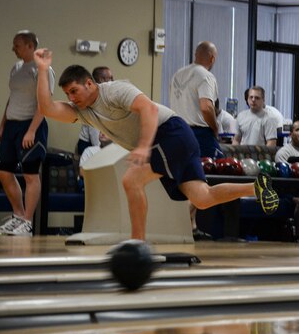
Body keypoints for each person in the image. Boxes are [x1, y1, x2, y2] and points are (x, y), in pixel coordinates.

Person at [33, 49, 278, 241]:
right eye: (68, 95)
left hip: (171, 132)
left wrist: (142, 146)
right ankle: (255, 188)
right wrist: (43, 70)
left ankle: (137, 243)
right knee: (202, 199)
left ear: (89, 83)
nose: (71, 98)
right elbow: (47, 108)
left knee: (131, 180)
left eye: (74, 91)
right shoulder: (83, 112)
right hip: (180, 139)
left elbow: (147, 108)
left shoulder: (114, 90)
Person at [0, 31, 55, 237]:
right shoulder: (16, 67)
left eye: (18, 45)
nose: (14, 48)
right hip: (11, 126)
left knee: (31, 175)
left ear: (30, 46)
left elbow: (44, 102)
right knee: (3, 172)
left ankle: (28, 221)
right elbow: (13, 97)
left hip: (31, 126)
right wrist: (3, 123)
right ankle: (19, 216)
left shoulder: (43, 70)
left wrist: (31, 130)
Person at [169, 40, 222, 241]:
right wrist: (215, 128)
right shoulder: (205, 76)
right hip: (199, 134)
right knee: (210, 174)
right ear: (212, 58)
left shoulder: (178, 74)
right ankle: (182, 221)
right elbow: (206, 107)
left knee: (188, 179)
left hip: (177, 132)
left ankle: (191, 226)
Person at [76, 66, 113, 154]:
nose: (113, 80)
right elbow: (97, 142)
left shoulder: (108, 98)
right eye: (110, 78)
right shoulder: (93, 103)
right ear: (101, 80)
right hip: (88, 147)